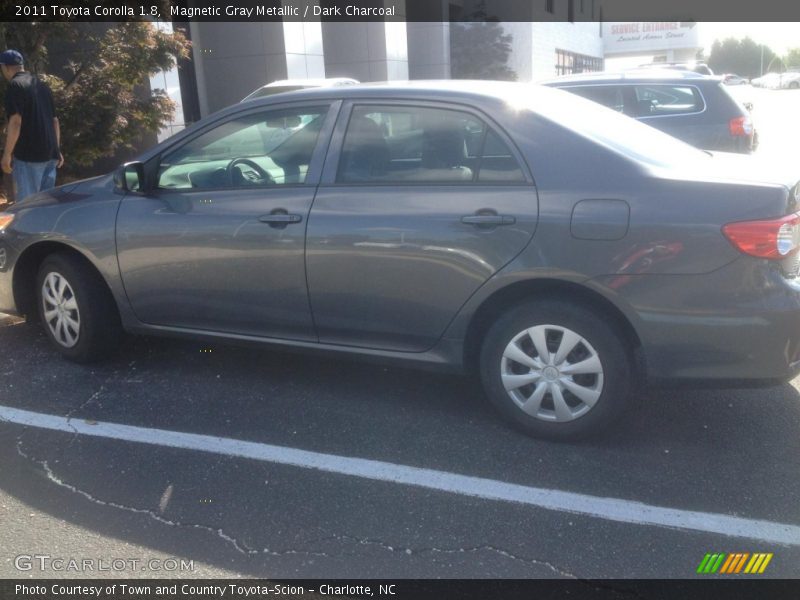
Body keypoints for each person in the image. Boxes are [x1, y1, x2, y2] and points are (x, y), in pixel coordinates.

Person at [1, 49, 64, 204]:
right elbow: (54, 121)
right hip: (50, 155)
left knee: (27, 205)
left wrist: (7, 154)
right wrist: (57, 149)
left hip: (29, 157)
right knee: (43, 205)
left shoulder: (15, 86)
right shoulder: (42, 85)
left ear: (5, 67)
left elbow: (16, 121)